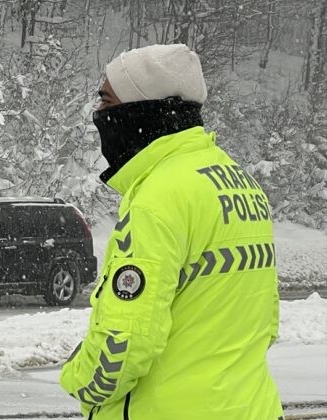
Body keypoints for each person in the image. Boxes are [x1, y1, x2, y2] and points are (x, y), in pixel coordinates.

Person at [59, 44, 283, 420]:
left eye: (107, 100)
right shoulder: (238, 181)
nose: (99, 114)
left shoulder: (158, 197)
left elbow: (126, 342)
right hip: (249, 407)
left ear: (141, 109)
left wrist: (78, 379)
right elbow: (266, 321)